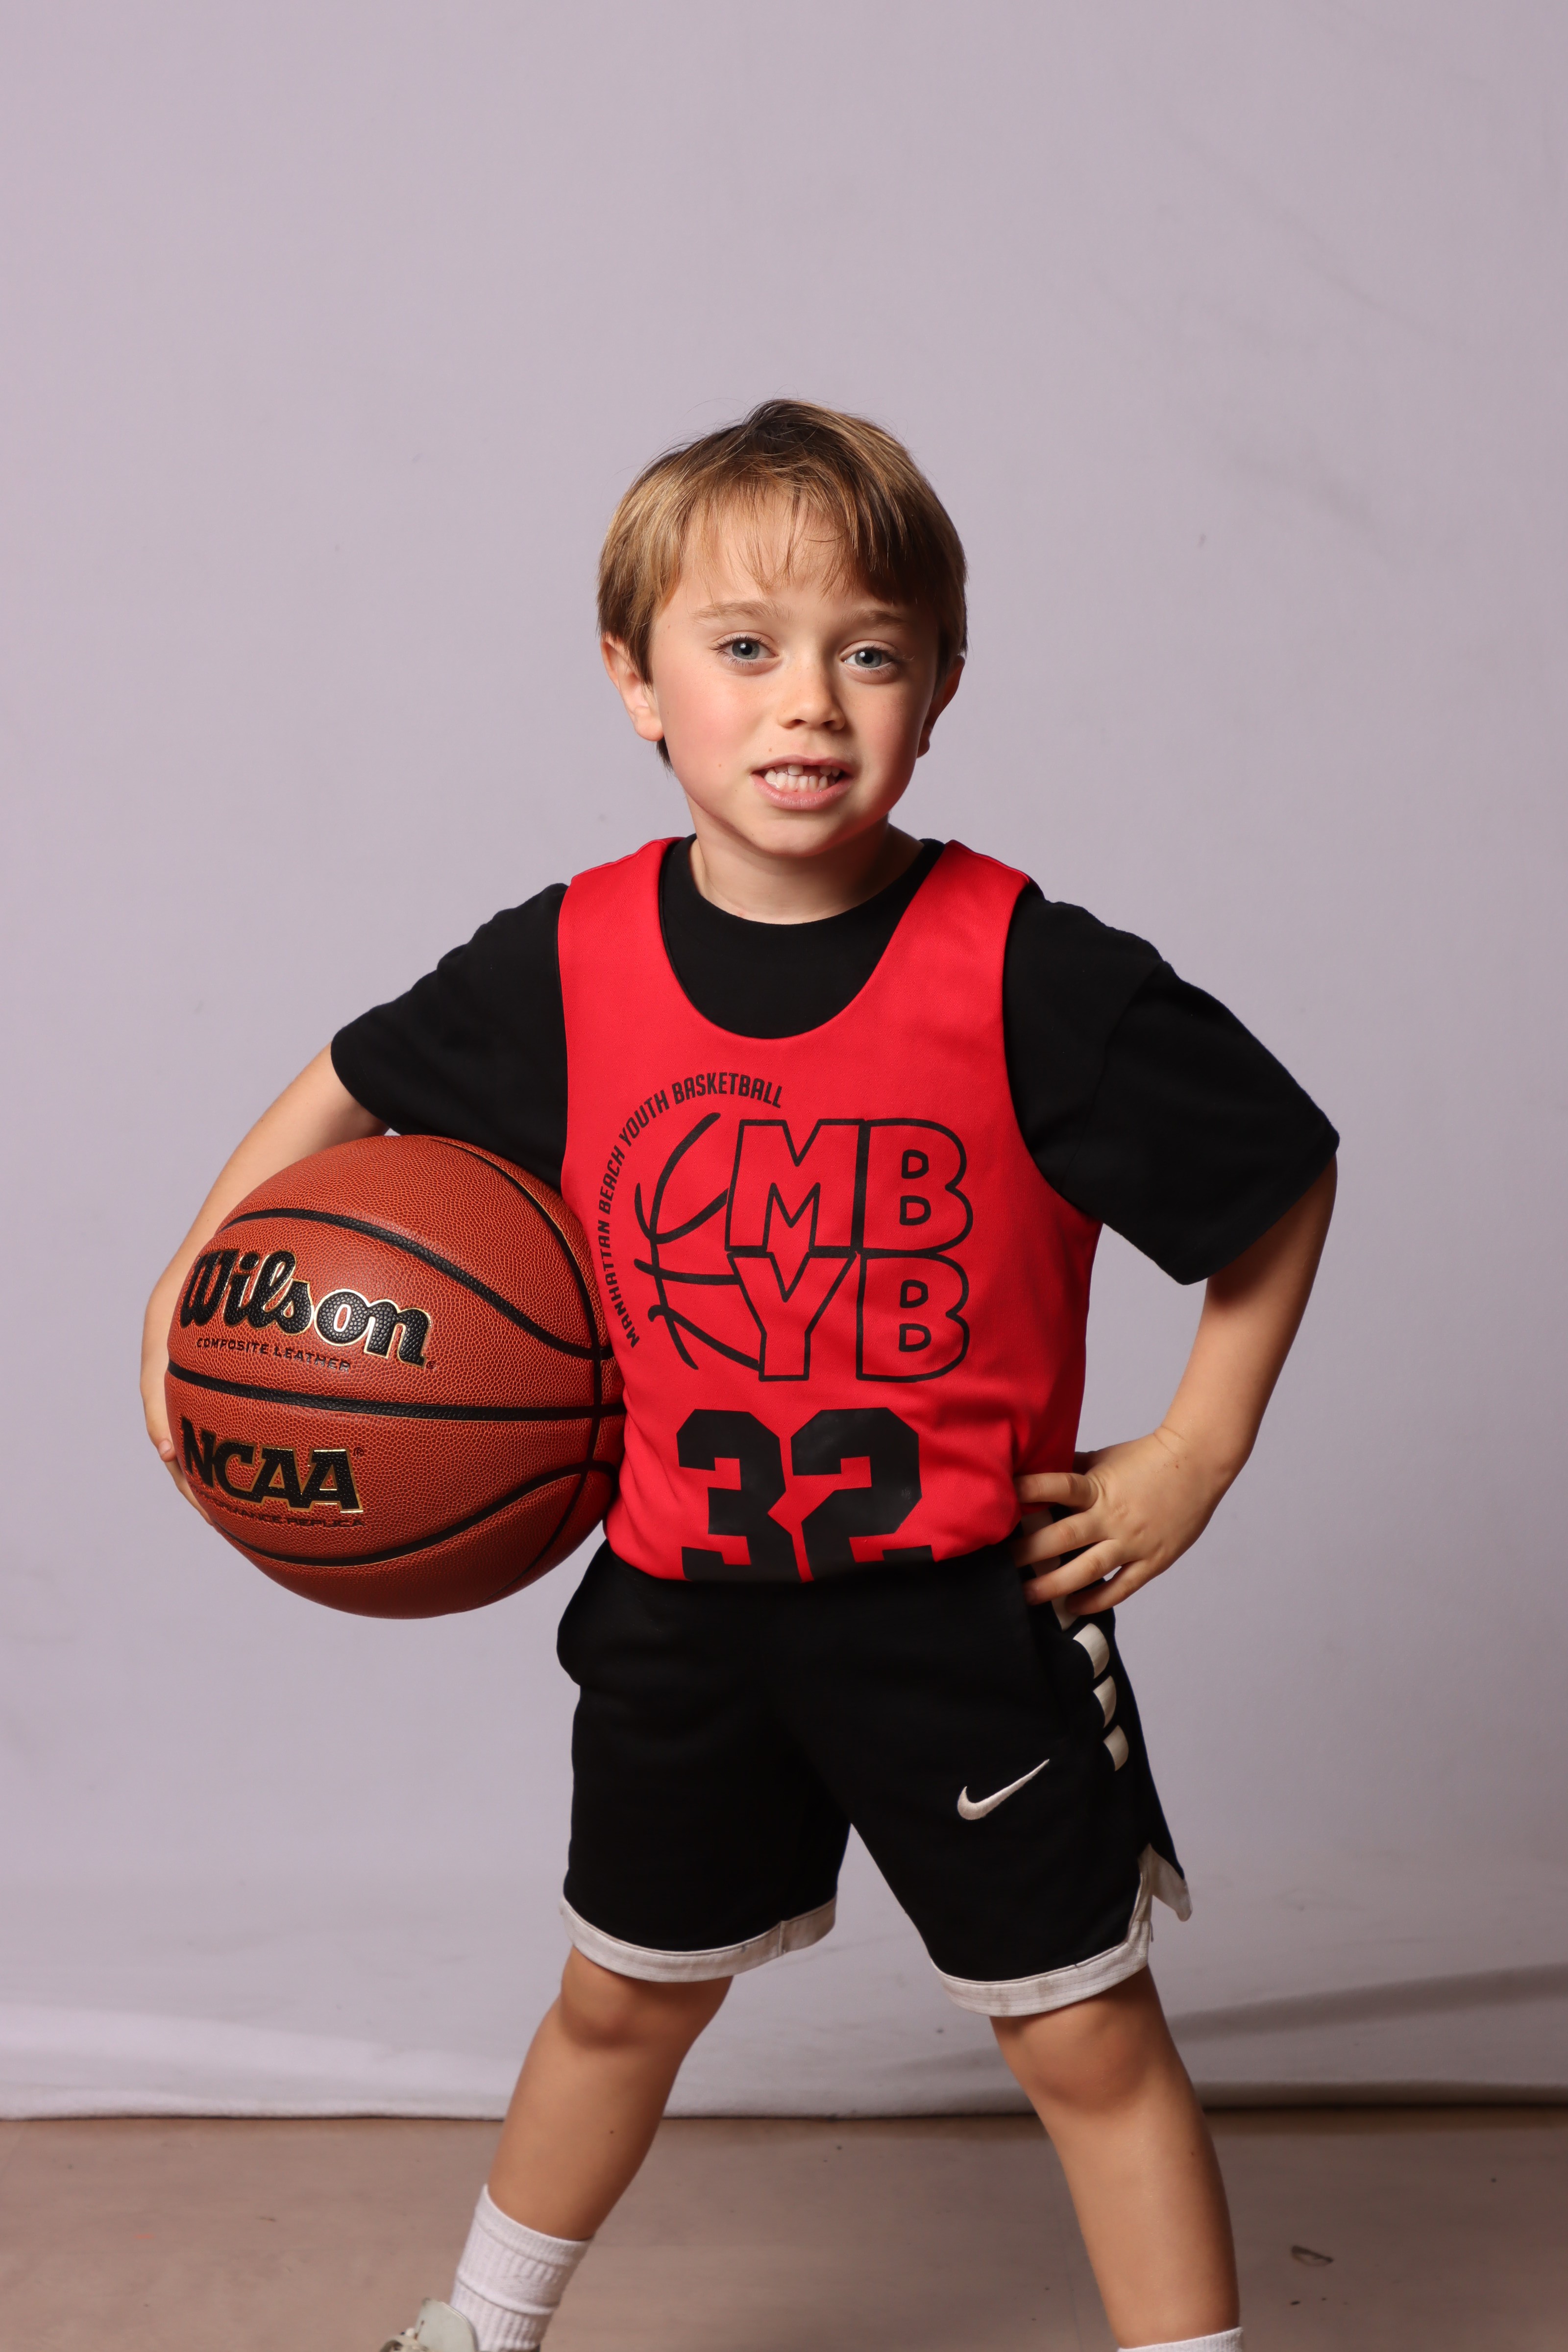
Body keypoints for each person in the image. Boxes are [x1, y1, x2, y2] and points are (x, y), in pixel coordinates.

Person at [141, 400, 1336, 2352]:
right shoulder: (569, 959)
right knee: (619, 1999)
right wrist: (193, 1310)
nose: (808, 702)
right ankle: (479, 2328)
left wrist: (1197, 1446)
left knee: (1081, 2036)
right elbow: (349, 1085)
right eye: (746, 646)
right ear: (636, 680)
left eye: (870, 652)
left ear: (941, 684)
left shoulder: (1028, 972)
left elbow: (1276, 1174)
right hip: (682, 1613)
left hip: (957, 1618)